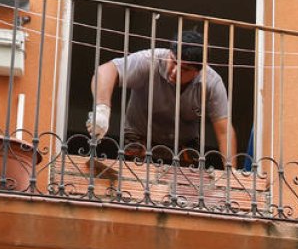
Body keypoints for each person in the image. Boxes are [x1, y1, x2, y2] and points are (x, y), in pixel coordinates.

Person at [86, 31, 235, 167]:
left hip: (184, 144)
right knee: (132, 186)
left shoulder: (212, 82)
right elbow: (105, 70)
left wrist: (231, 177)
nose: (175, 71)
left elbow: (224, 131)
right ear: (170, 53)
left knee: (188, 191)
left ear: (198, 72)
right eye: (174, 61)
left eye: (185, 69)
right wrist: (102, 109)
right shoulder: (150, 60)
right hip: (139, 136)